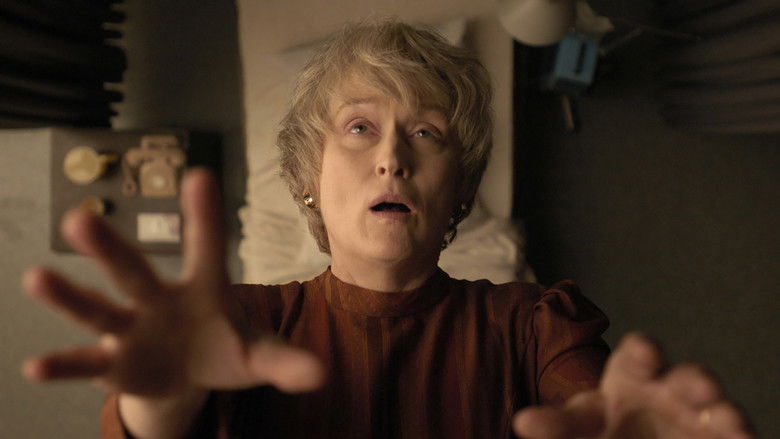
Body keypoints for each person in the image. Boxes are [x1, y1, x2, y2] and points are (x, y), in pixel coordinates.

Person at [22, 20, 754, 439]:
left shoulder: (535, 326)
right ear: (307, 177)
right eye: (360, 127)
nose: (392, 158)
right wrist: (160, 400)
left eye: (427, 133)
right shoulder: (240, 323)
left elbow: (595, 411)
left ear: (459, 189)